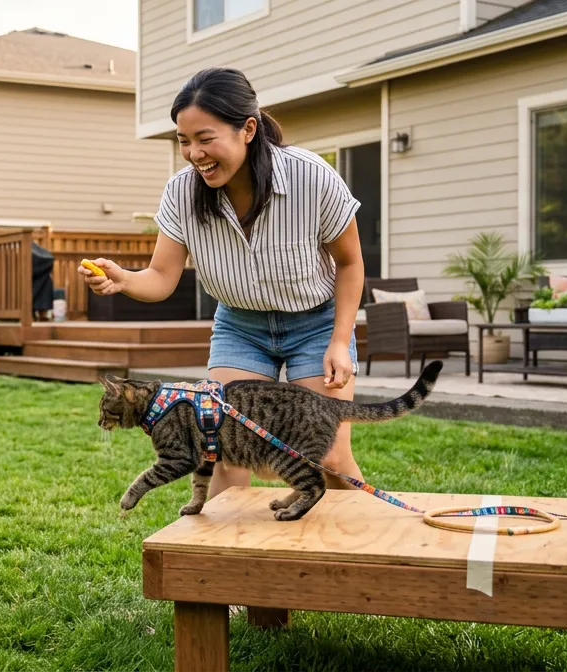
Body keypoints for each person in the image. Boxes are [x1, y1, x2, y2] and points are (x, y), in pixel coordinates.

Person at [81, 67, 367, 493]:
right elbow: (161, 277)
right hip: (241, 327)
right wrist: (124, 280)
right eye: (183, 140)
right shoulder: (182, 192)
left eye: (205, 138)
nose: (194, 153)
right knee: (223, 450)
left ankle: (363, 531)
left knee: (328, 456)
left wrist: (340, 342)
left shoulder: (310, 177)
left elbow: (349, 263)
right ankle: (227, 539)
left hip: (316, 323)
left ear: (247, 129)